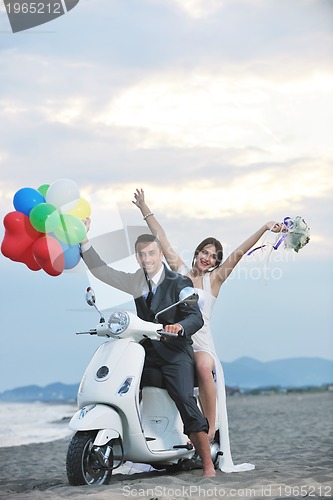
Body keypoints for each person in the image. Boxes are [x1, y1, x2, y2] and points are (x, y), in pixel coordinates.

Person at [133, 188, 285, 472]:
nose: (207, 258)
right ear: (197, 252)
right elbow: (162, 239)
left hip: (201, 345)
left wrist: (265, 227)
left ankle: (211, 429)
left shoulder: (214, 281)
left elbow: (239, 253)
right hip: (176, 343)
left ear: (216, 262)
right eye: (205, 252)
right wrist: (145, 208)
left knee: (203, 367)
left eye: (213, 256)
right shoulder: (178, 272)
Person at [80, 225, 216, 477]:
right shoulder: (135, 280)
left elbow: (194, 316)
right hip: (146, 353)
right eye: (142, 255)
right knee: (119, 385)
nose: (147, 259)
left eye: (152, 253)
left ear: (160, 255)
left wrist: (180, 327)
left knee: (184, 398)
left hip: (175, 353)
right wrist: (84, 240)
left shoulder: (180, 282)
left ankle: (207, 463)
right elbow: (103, 272)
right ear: (137, 257)